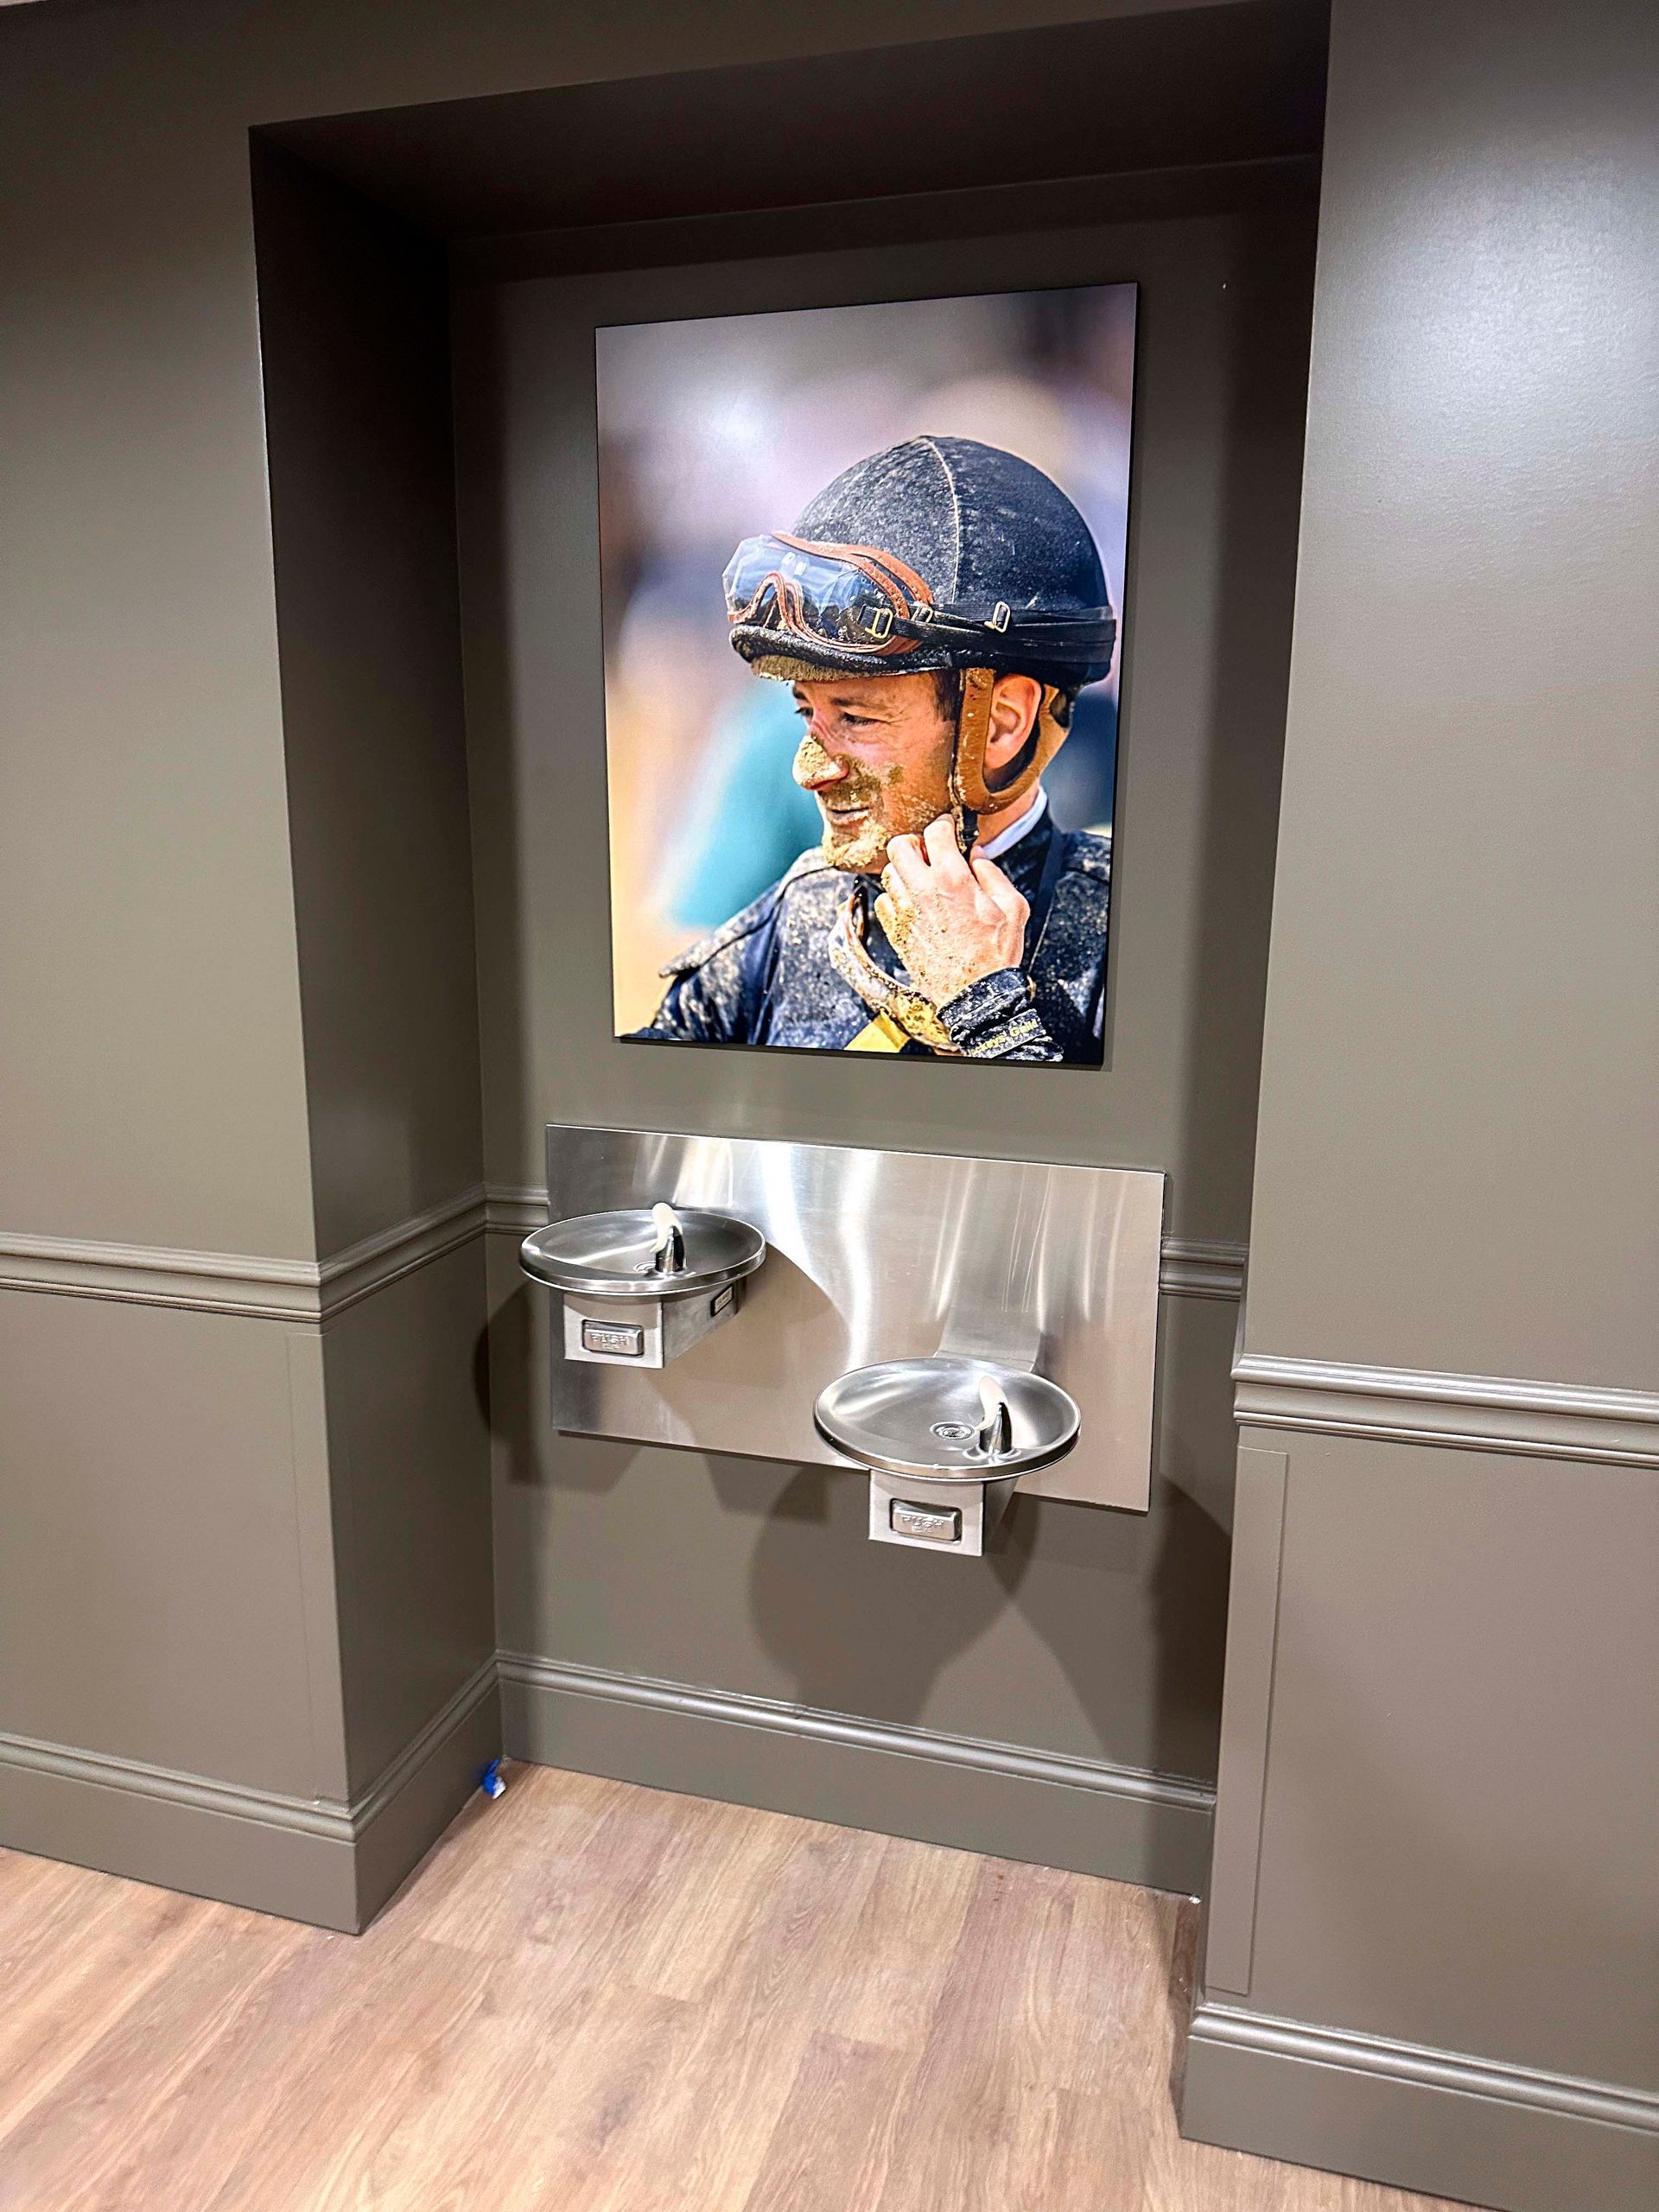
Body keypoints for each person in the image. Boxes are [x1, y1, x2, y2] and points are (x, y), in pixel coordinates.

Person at [632, 435, 1118, 1063]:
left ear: (1001, 723)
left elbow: (1096, 1165)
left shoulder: (1138, 952)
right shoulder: (768, 944)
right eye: (807, 712)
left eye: (856, 718)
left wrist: (985, 1008)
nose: (808, 770)